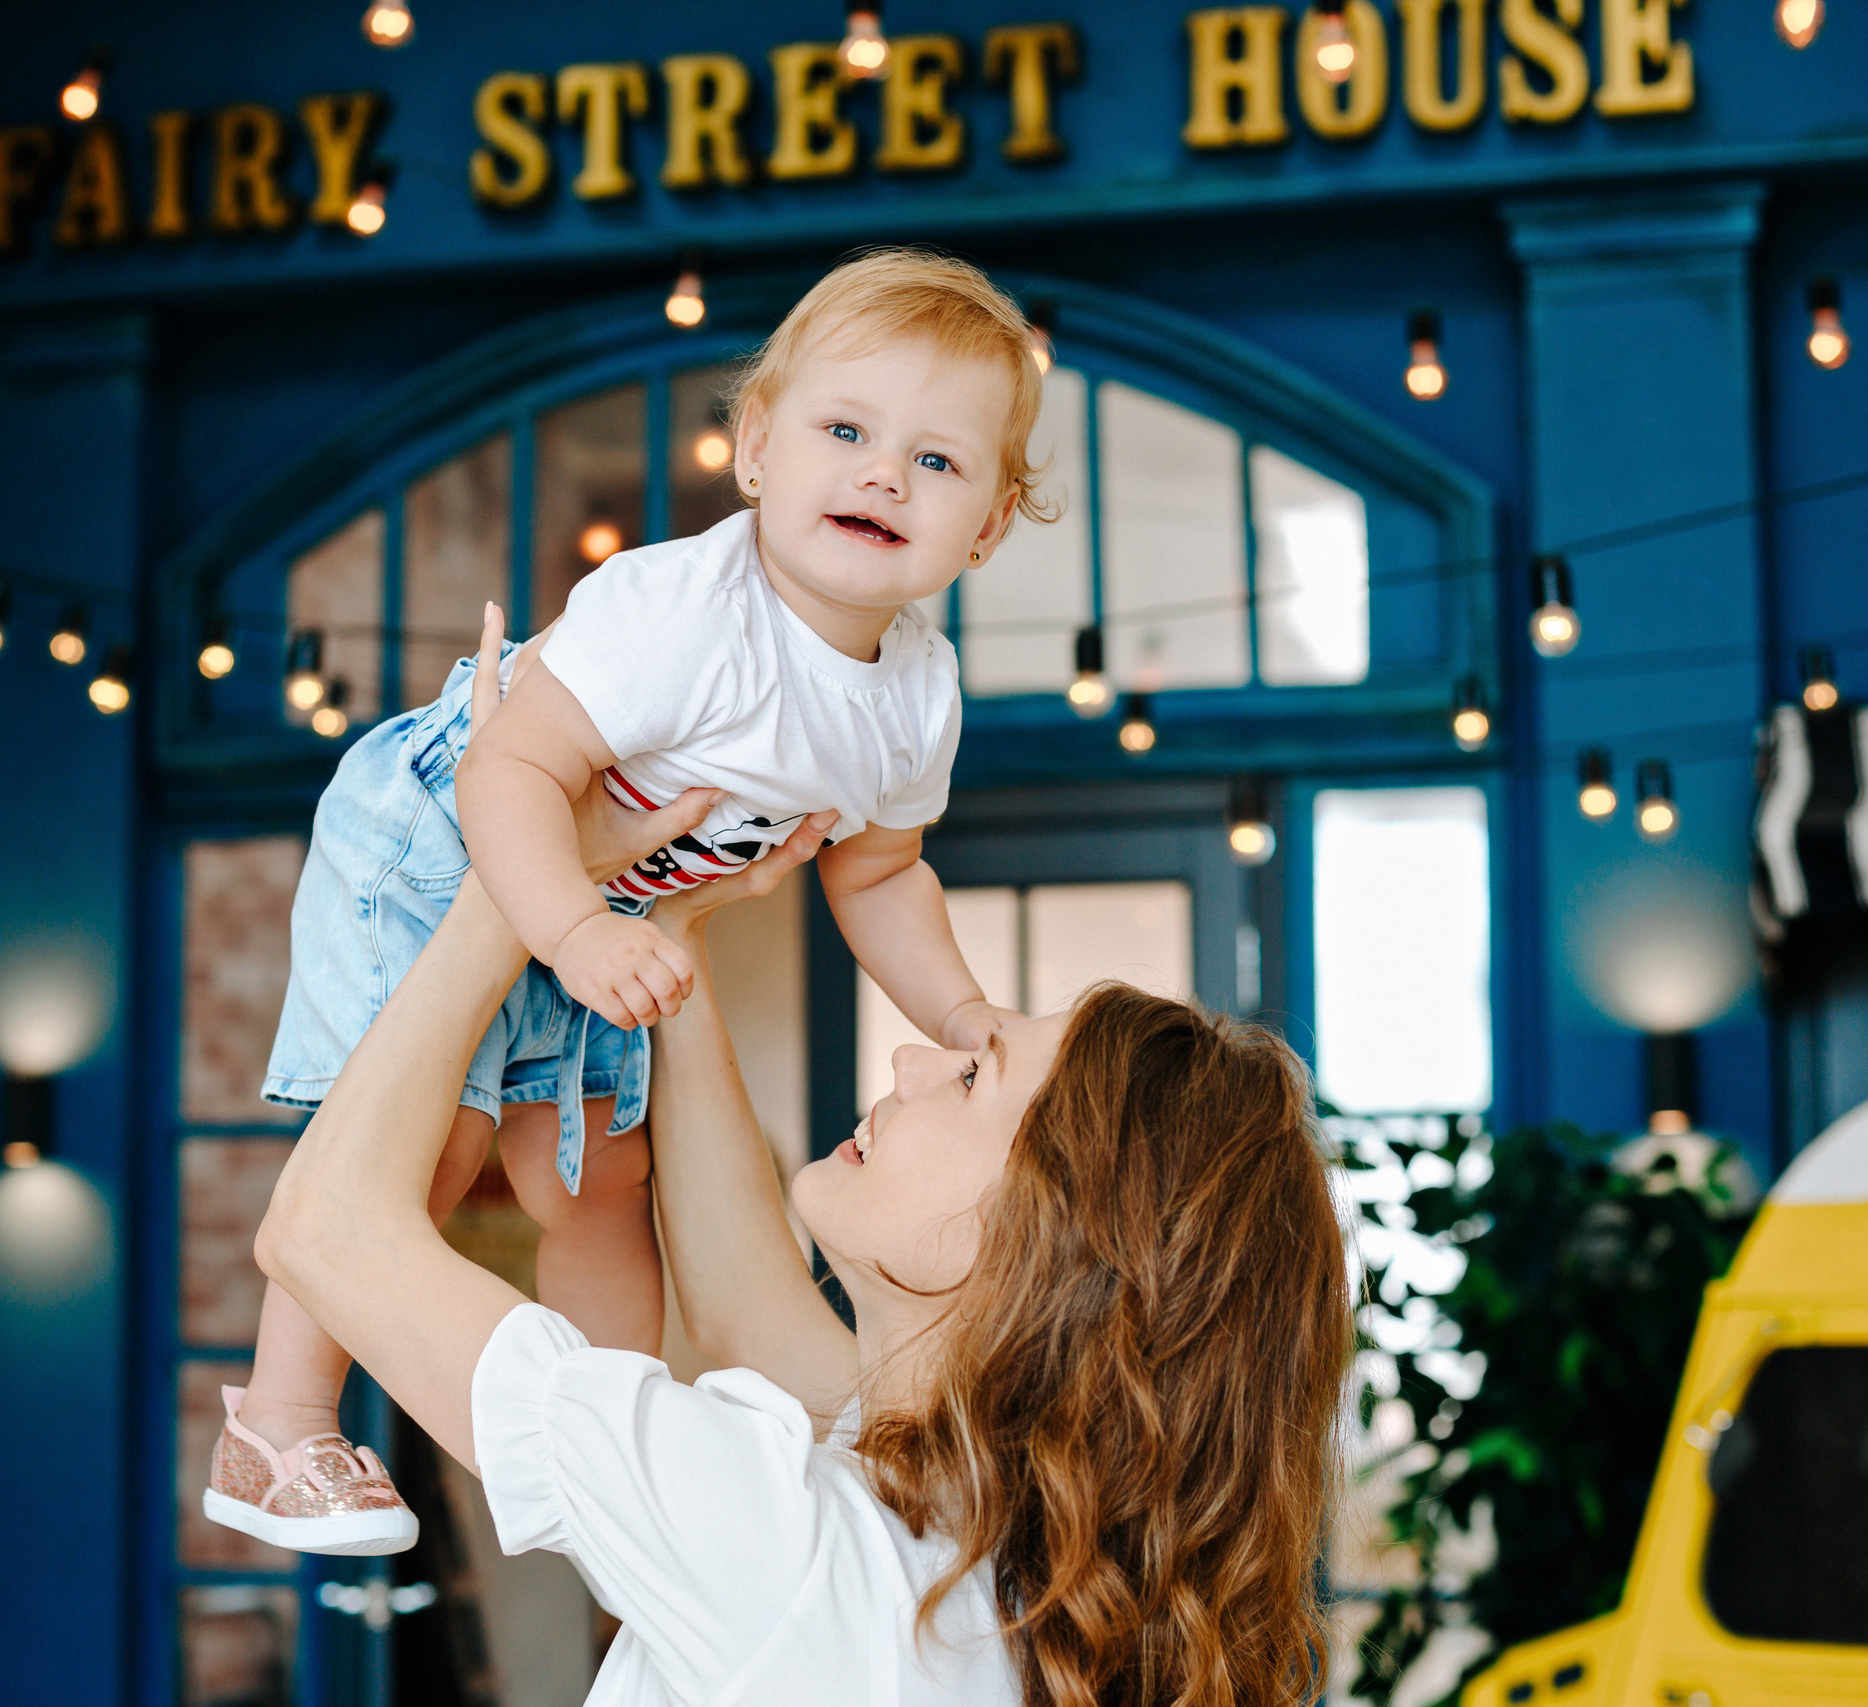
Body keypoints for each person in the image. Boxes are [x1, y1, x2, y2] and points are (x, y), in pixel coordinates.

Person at [256, 642, 1356, 1705]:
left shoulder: (801, 1562)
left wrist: (518, 857)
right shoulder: (972, 1547)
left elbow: (323, 1228)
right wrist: (669, 925)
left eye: (974, 1079)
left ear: (1047, 1232)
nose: (915, 1058)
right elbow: (750, 1315)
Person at [210, 248, 1046, 1555]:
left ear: (990, 524)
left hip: (608, 893)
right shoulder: (682, 613)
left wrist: (960, 1010)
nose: (885, 472)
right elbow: (512, 765)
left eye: (939, 462)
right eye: (845, 430)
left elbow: (878, 868)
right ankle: (279, 1420)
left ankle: (618, 1437)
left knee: (598, 1170)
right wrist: (575, 925)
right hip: (453, 830)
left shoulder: (918, 692)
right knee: (430, 1150)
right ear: (757, 448)